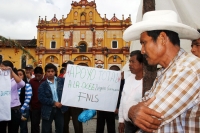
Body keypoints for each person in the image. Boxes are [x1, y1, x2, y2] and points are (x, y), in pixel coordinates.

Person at [123, 10, 200, 132]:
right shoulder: (165, 72)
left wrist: (130, 110)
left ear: (162, 38)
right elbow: (141, 107)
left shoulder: (188, 69)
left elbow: (148, 117)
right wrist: (132, 111)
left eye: (144, 43)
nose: (142, 50)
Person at [38, 63, 68, 133]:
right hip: (47, 109)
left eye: (52, 71)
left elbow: (67, 91)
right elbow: (41, 98)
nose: (50, 73)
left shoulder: (62, 81)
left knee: (60, 129)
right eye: (48, 71)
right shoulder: (43, 85)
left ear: (55, 72)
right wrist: (54, 102)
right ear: (45, 73)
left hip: (60, 109)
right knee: (46, 130)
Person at [118, 50, 143, 133]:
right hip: (128, 124)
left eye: (133, 62)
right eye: (129, 61)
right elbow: (123, 100)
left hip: (141, 125)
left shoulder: (148, 83)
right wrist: (121, 120)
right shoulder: (128, 79)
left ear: (142, 64)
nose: (130, 64)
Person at [0, 60, 25, 133]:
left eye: (4, 67)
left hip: (14, 109)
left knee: (13, 130)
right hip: (2, 109)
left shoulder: (14, 80)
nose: (2, 68)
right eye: (1, 66)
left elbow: (22, 84)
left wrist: (11, 72)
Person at [96, 66, 120, 133]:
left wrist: (117, 107)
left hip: (111, 108)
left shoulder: (119, 82)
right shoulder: (103, 81)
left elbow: (119, 95)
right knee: (100, 126)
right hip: (101, 107)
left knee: (111, 126)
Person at [63, 61, 83, 133]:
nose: (67, 68)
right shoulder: (62, 77)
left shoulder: (80, 76)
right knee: (64, 124)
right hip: (65, 104)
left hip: (76, 104)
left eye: (68, 66)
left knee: (77, 124)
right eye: (65, 66)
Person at [29, 66, 46, 133]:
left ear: (42, 74)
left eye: (39, 75)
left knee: (46, 123)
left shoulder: (46, 80)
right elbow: (29, 93)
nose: (37, 77)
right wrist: (30, 104)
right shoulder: (32, 81)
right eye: (36, 75)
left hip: (45, 105)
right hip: (35, 106)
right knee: (34, 123)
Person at [17, 69, 32, 133]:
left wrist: (22, 107)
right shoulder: (13, 85)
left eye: (21, 75)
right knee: (14, 126)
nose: (19, 76)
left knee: (23, 127)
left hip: (24, 109)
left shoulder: (27, 85)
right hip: (15, 109)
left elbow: (28, 98)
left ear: (24, 76)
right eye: (17, 75)